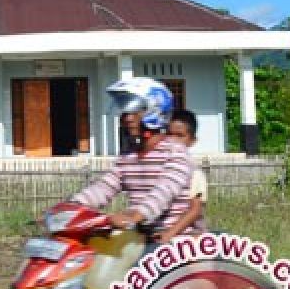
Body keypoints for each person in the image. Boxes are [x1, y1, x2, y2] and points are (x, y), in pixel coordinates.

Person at [70, 78, 191, 237]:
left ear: (155, 110)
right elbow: (105, 186)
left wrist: (134, 215)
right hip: (139, 237)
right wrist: (72, 206)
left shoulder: (176, 153)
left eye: (136, 111)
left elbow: (162, 194)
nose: (128, 118)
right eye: (125, 112)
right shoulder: (128, 155)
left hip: (173, 243)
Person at [155, 108, 209, 242]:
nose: (173, 140)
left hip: (185, 240)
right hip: (157, 236)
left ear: (192, 141)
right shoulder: (157, 170)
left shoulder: (194, 174)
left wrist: (168, 235)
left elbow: (194, 210)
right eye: (169, 134)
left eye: (179, 135)